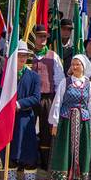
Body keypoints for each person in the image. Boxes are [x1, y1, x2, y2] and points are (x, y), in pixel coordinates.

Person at [48, 54, 91, 180]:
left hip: (82, 124)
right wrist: (55, 122)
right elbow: (58, 101)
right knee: (63, 155)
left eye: (78, 64)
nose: (75, 67)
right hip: (65, 123)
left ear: (84, 67)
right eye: (73, 64)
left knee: (80, 155)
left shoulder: (89, 85)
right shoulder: (66, 82)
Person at [5, 41, 42, 180]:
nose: (22, 58)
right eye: (19, 55)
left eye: (24, 56)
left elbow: (36, 97)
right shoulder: (7, 75)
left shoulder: (33, 76)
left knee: (29, 155)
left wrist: (19, 104)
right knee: (11, 155)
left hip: (26, 120)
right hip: (10, 120)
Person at [32, 27, 64, 168]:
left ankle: (46, 162)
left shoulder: (53, 56)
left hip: (47, 97)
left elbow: (59, 78)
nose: (42, 39)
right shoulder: (27, 55)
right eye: (39, 36)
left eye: (44, 36)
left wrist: (57, 99)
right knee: (29, 127)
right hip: (31, 98)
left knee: (47, 129)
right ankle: (29, 160)